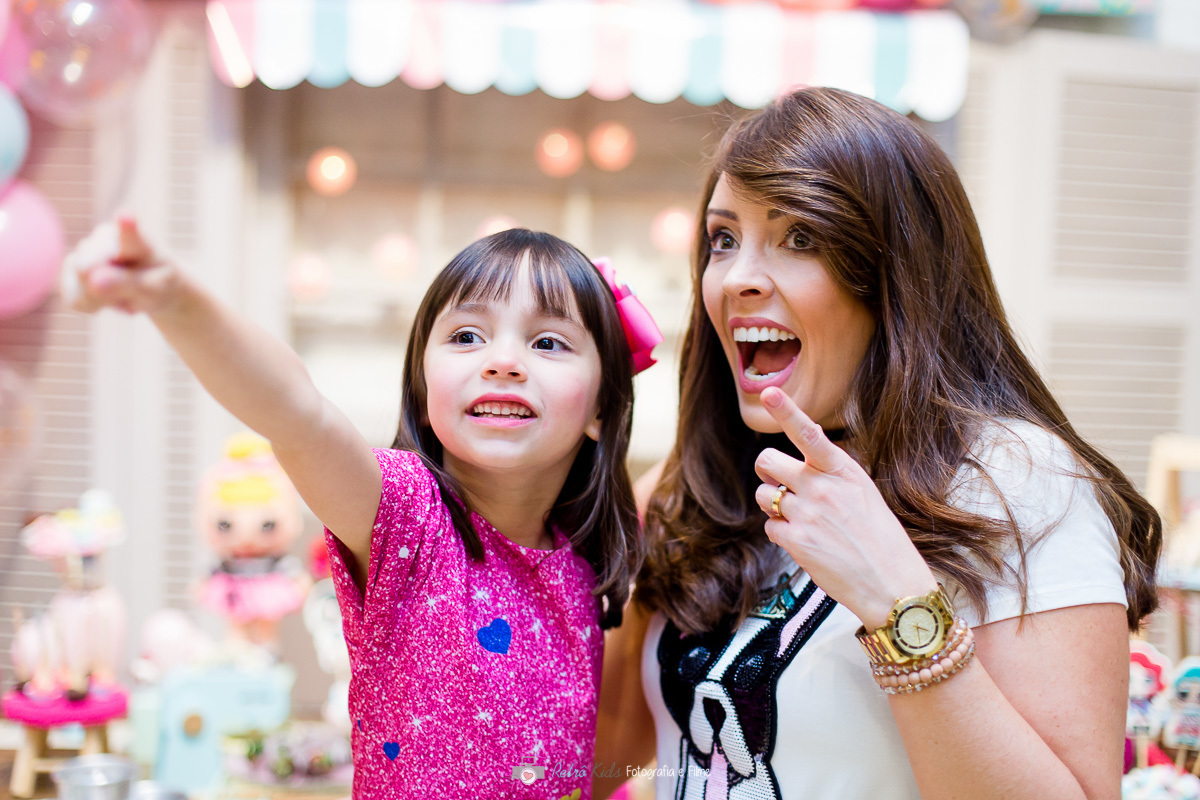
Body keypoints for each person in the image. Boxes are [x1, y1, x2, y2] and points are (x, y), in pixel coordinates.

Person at [595, 87, 1159, 800]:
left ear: (893, 273)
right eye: (723, 239)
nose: (736, 279)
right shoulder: (694, 490)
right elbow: (593, 756)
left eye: (800, 237)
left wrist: (896, 601)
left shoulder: (1021, 483)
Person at [69, 222, 655, 798]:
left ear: (602, 407)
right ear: (424, 396)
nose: (502, 361)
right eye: (467, 336)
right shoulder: (407, 516)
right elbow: (297, 413)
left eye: (547, 342)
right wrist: (177, 300)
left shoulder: (583, 556)